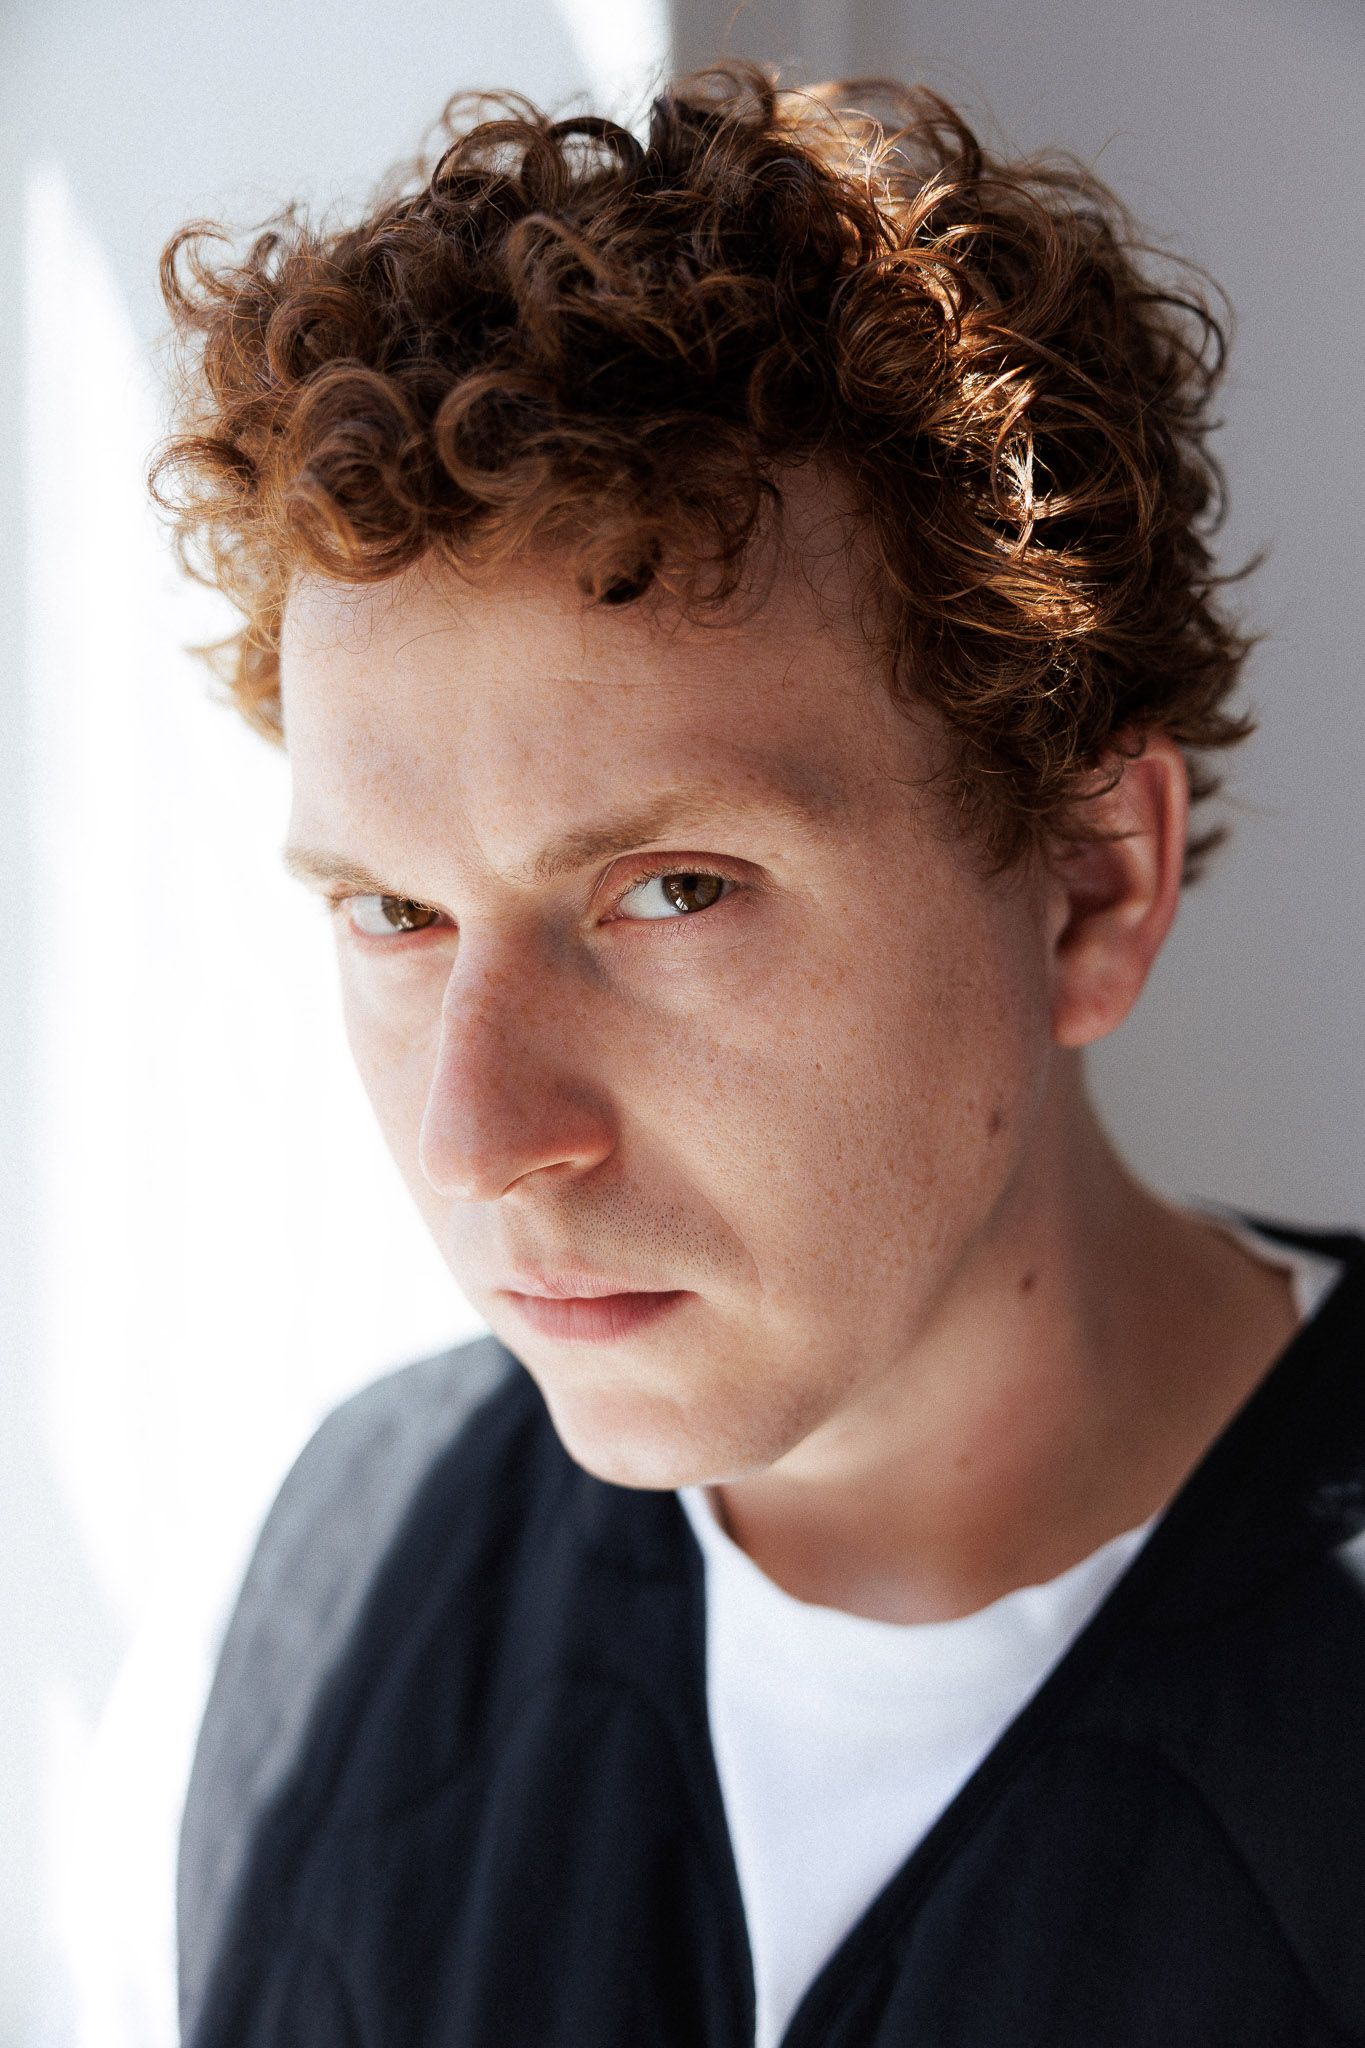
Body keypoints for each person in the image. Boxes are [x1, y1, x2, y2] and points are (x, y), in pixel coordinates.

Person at [144, 61, 1364, 2048]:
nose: (476, 1137)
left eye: (670, 890)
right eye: (391, 912)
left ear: (1087, 884)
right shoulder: (352, 1566)